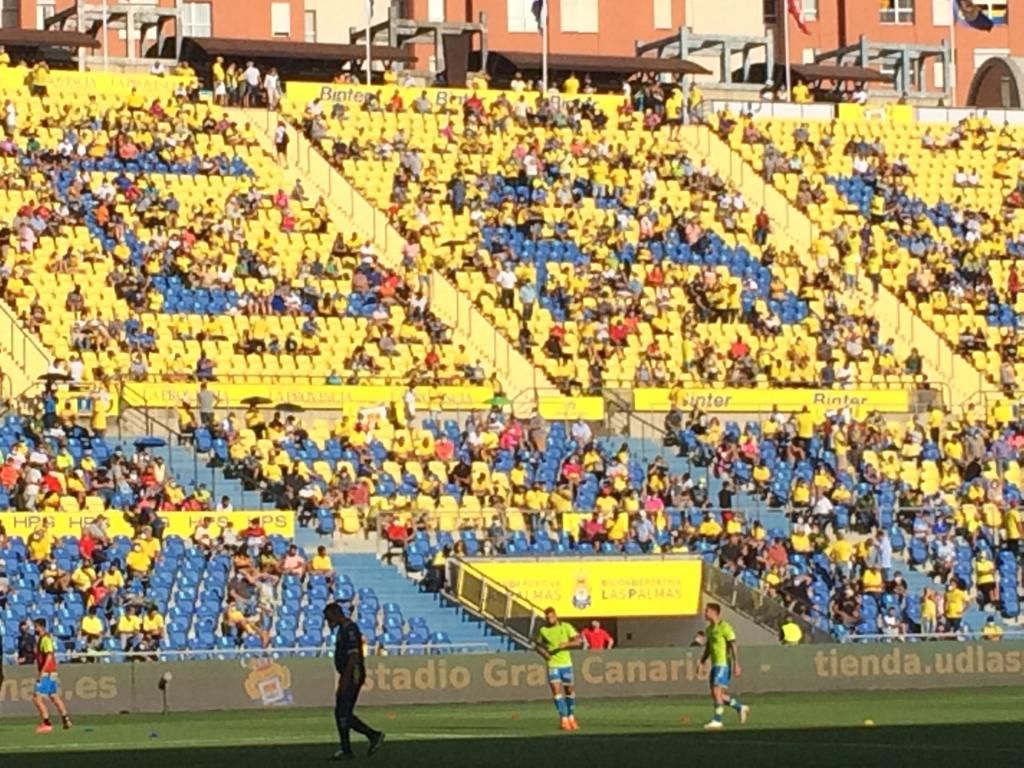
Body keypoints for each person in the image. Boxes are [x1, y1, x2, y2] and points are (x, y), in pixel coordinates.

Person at [324, 602, 385, 760]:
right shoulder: (343, 629)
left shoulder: (349, 629)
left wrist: (345, 679)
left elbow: (353, 656)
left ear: (335, 614)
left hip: (352, 674)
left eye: (328, 617)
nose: (327, 621)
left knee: (343, 712)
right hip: (348, 674)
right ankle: (363, 740)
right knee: (342, 712)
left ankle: (362, 741)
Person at [699, 602, 748, 729]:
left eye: (706, 611)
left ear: (714, 612)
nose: (705, 613)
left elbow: (733, 645)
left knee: (717, 692)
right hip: (715, 664)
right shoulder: (709, 629)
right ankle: (739, 707)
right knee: (716, 694)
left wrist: (736, 663)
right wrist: (702, 661)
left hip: (723, 664)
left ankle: (717, 720)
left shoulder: (725, 627)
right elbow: (709, 648)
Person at [534, 606, 583, 731]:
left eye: (552, 617)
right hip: (553, 664)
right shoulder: (543, 630)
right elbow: (537, 644)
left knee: (569, 690)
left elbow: (578, 641)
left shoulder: (565, 627)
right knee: (556, 690)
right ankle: (563, 718)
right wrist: (544, 654)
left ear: (556, 616)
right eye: (548, 617)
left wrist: (567, 644)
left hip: (566, 663)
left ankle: (571, 716)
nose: (550, 619)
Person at [32, 618, 72, 733]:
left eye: (36, 627)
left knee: (36, 698)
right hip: (51, 672)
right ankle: (66, 719)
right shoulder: (43, 639)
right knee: (54, 696)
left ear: (41, 627)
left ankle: (46, 723)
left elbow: (49, 656)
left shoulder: (45, 639)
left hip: (47, 672)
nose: (35, 629)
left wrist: (42, 672)